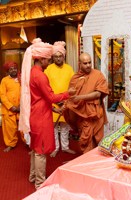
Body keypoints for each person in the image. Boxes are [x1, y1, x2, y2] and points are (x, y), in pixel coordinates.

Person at [19, 38, 76, 189]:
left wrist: (53, 108)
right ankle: (40, 182)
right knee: (40, 151)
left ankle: (33, 176)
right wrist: (67, 93)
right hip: (41, 117)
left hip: (36, 113)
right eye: (48, 59)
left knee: (34, 148)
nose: (50, 62)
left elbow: (40, 99)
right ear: (42, 59)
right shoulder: (40, 76)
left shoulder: (33, 72)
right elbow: (51, 97)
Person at [64, 52, 109, 154]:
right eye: (85, 63)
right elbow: (71, 98)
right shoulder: (75, 78)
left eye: (89, 62)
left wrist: (80, 97)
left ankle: (96, 165)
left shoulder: (98, 75)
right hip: (83, 116)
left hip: (96, 115)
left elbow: (98, 94)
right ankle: (87, 165)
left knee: (98, 141)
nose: (88, 65)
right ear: (79, 63)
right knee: (86, 141)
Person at [45, 41, 75, 157]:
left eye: (60, 56)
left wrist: (66, 100)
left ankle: (65, 147)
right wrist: (55, 100)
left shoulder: (69, 68)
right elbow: (46, 87)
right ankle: (55, 147)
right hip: (52, 102)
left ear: (64, 56)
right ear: (53, 57)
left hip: (66, 102)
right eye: (56, 56)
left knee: (65, 126)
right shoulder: (48, 69)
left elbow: (73, 85)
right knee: (53, 127)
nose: (58, 59)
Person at [0, 61, 22, 152]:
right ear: (7, 71)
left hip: (21, 108)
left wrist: (21, 106)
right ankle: (10, 144)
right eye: (11, 69)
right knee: (9, 128)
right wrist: (11, 107)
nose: (13, 70)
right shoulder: (4, 80)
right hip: (9, 109)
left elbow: (26, 93)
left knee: (24, 127)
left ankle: (29, 143)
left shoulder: (22, 79)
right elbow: (2, 95)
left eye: (15, 68)